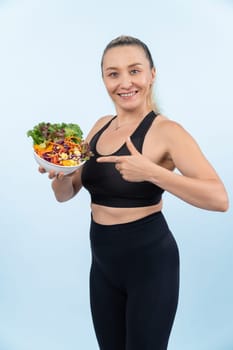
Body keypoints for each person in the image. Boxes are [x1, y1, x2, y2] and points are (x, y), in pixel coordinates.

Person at [39, 35, 229, 350]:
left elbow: (220, 199)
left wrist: (152, 172)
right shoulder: (100, 125)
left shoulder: (168, 132)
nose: (125, 82)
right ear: (103, 79)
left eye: (134, 71)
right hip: (102, 265)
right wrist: (60, 174)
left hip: (151, 265)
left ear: (152, 74)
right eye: (113, 73)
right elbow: (66, 193)